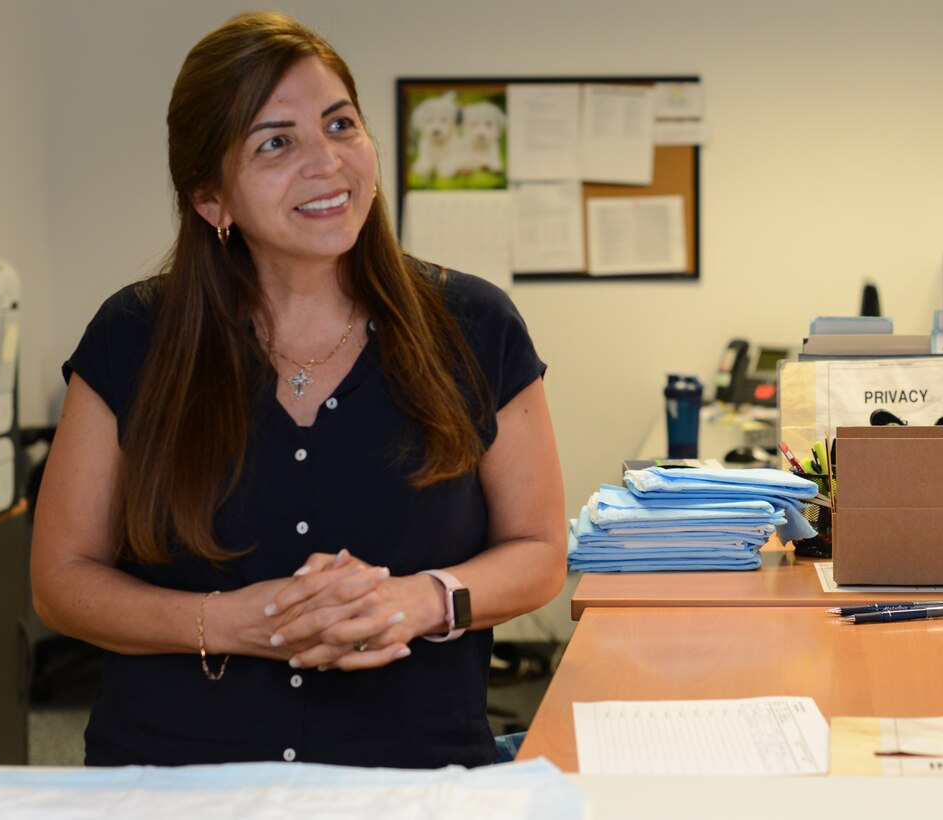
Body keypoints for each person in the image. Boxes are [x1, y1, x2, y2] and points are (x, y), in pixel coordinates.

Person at [30, 10, 565, 769]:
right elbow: (61, 581)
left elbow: (540, 550)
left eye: (340, 124)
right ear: (211, 200)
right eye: (275, 142)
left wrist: (419, 601)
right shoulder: (134, 335)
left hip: (410, 773)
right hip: (174, 780)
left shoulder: (475, 325)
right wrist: (234, 623)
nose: (327, 164)